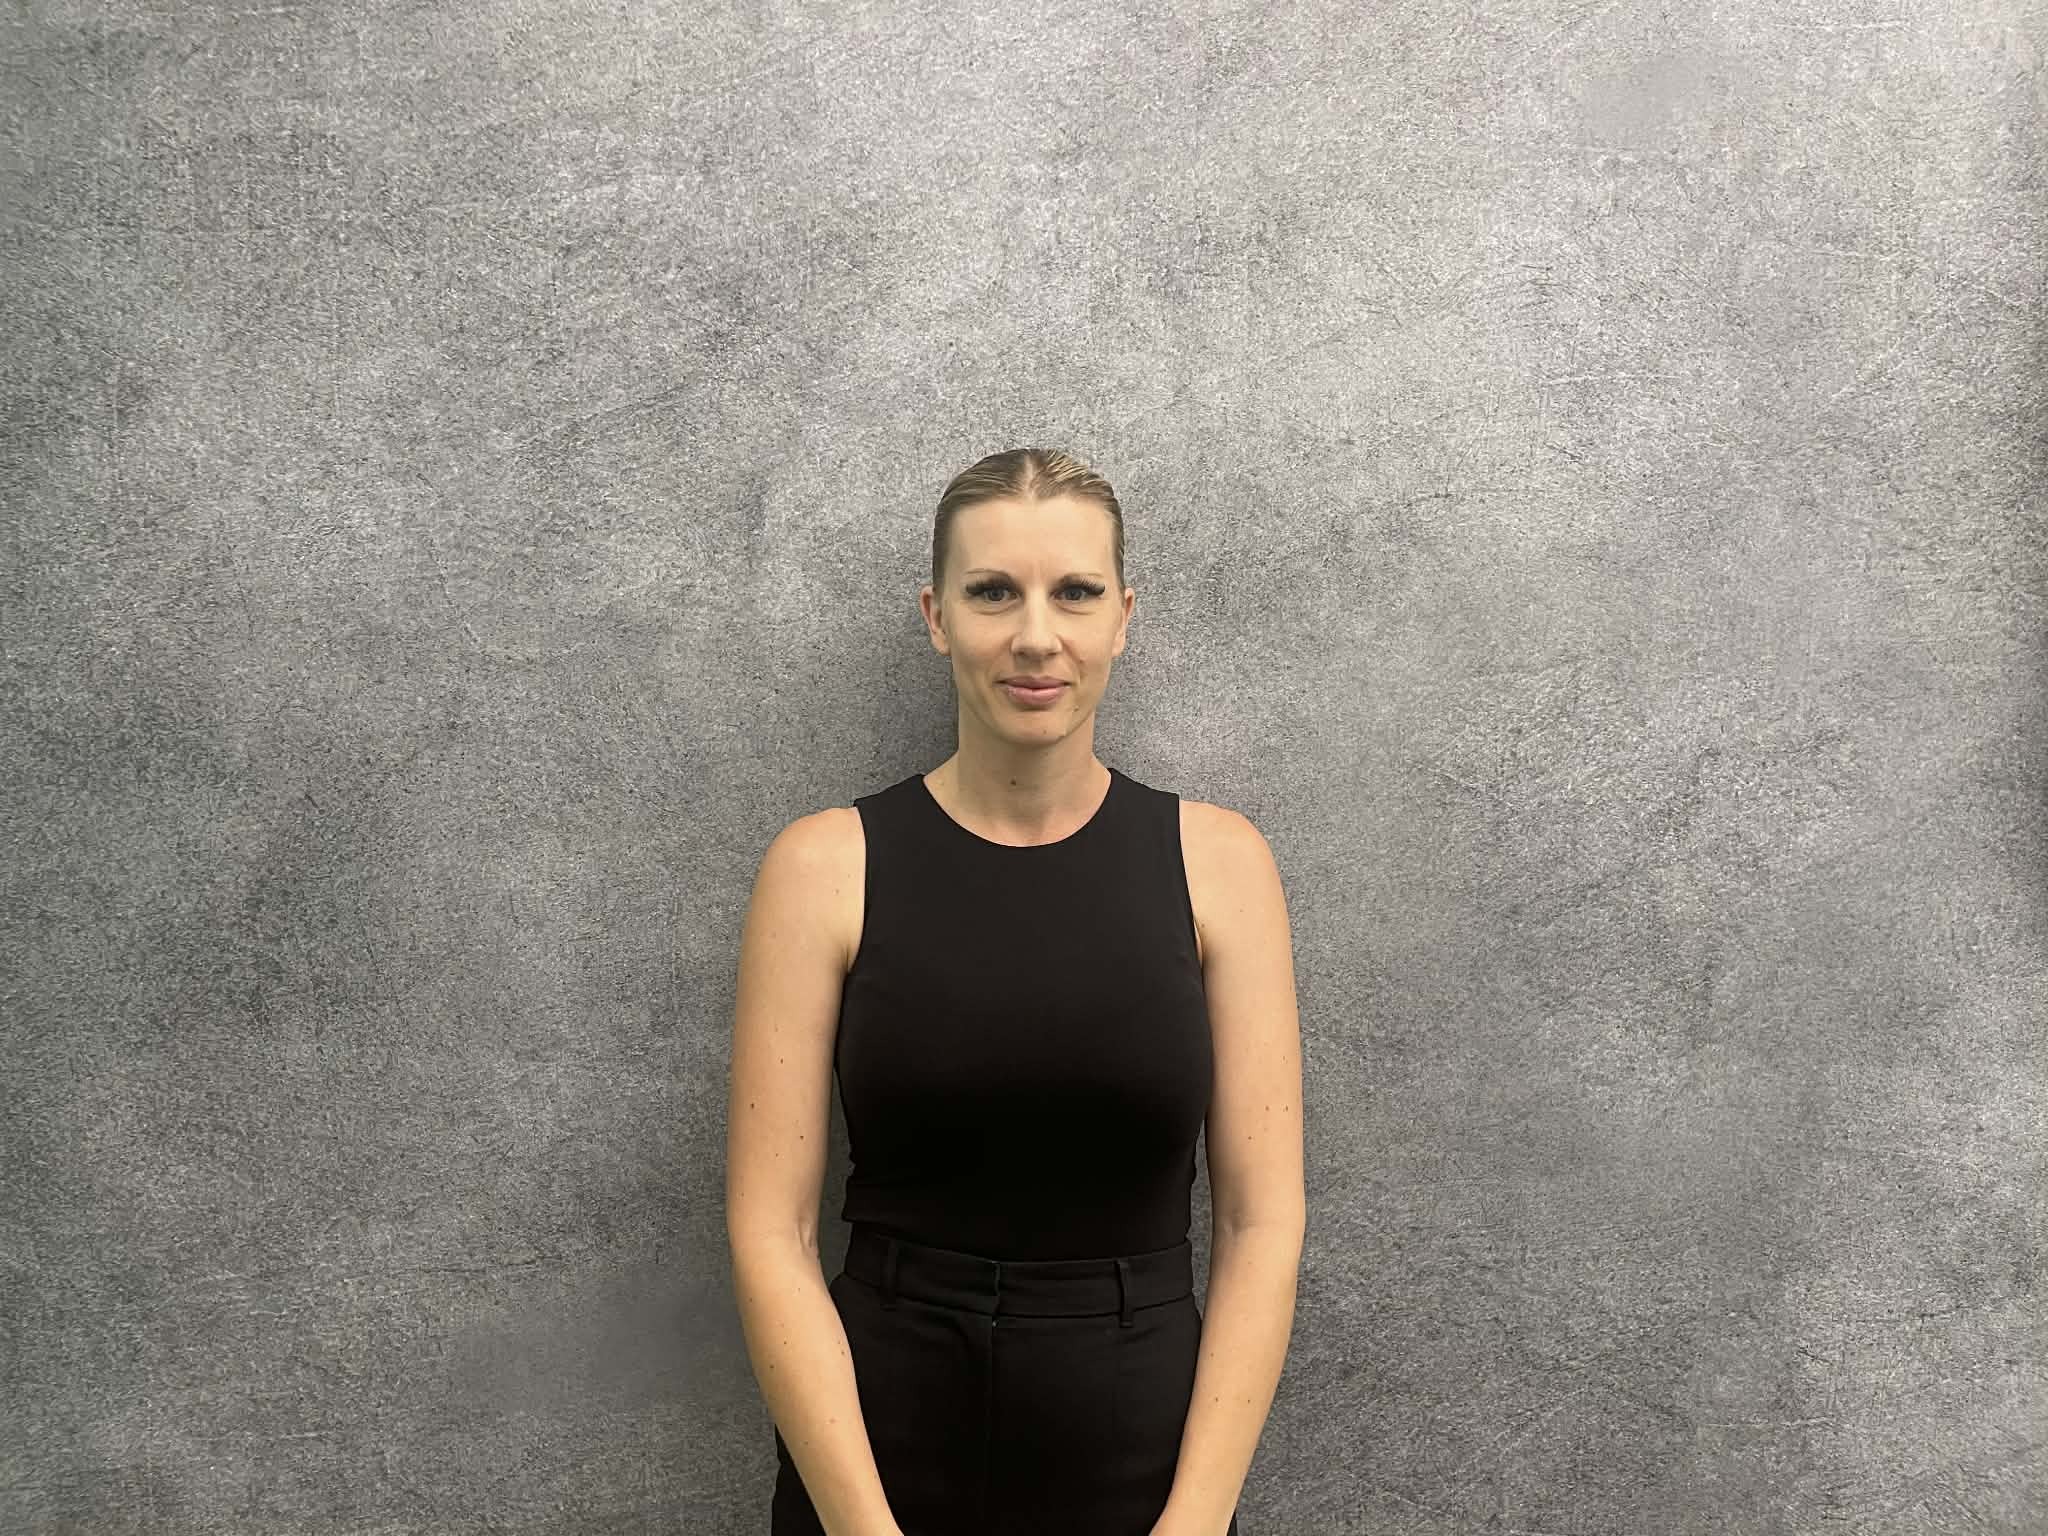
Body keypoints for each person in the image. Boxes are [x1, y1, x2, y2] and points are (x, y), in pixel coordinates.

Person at [726, 447, 1305, 1535]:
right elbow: (770, 1232)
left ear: (1123, 617)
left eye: (1074, 592)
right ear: (936, 617)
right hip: (877, 1446)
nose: (1036, 635)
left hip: (1143, 1447)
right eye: (992, 592)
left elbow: (1260, 1222)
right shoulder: (823, 869)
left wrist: (1192, 1524)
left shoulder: (1220, 866)